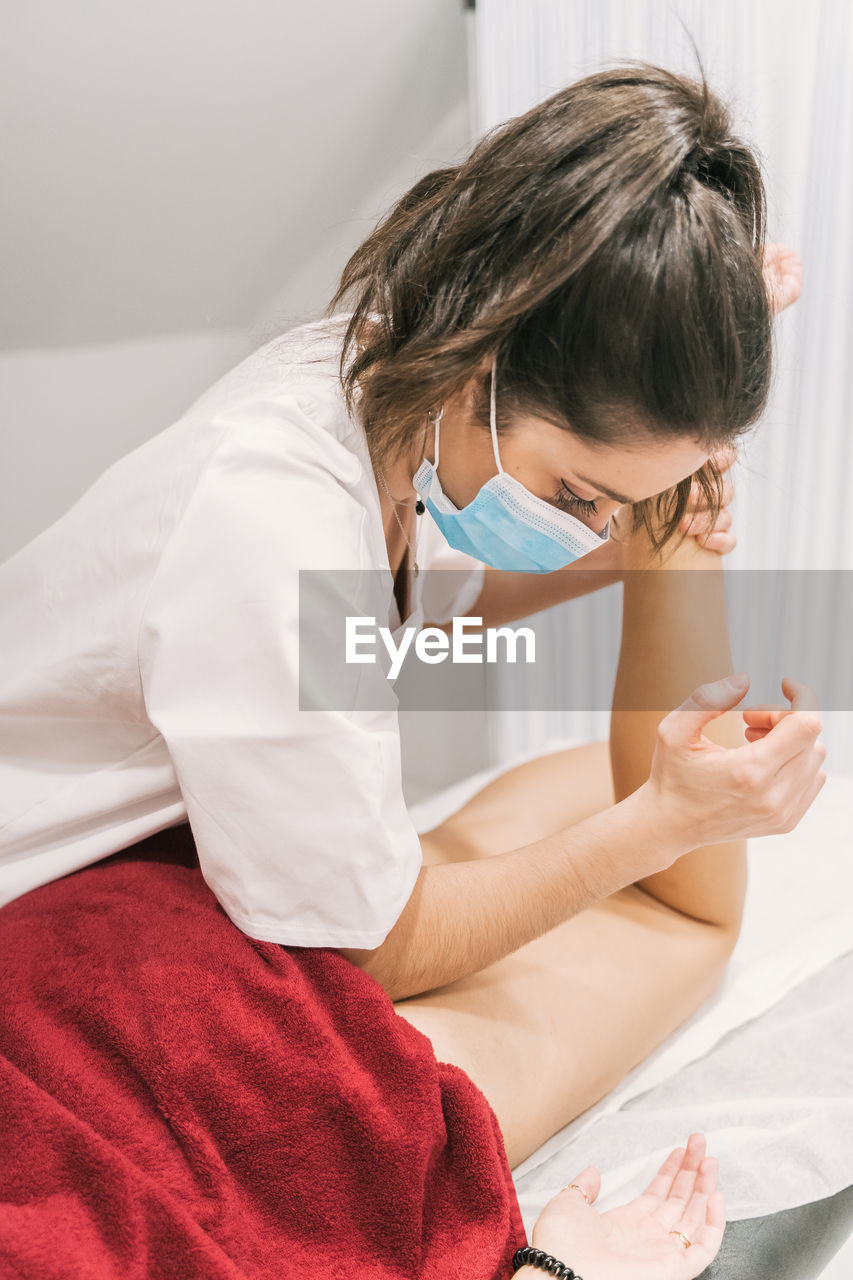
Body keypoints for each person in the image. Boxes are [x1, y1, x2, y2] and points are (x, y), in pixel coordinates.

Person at [0, 61, 822, 1278]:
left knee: (577, 801)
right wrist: (660, 821)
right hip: (78, 938)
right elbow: (384, 942)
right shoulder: (266, 516)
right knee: (667, 902)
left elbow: (401, 625)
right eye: (578, 495)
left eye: (617, 508)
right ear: (480, 359)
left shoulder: (386, 379)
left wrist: (674, 413)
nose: (585, 533)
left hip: (170, 880)